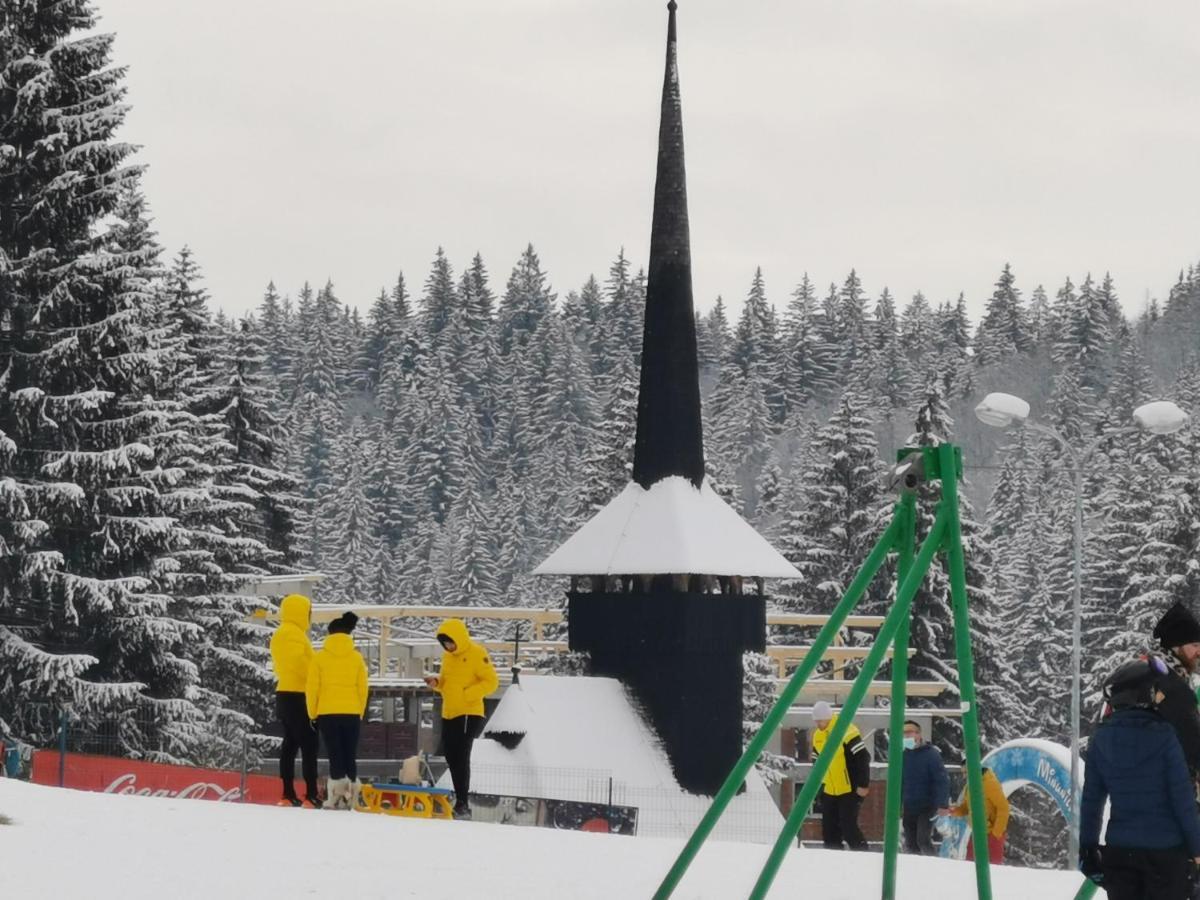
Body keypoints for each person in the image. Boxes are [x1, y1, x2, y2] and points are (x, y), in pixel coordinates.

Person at [1080, 658, 1200, 899]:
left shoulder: (1100, 739)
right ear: (1145, 694)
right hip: (1166, 857)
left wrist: (1088, 848)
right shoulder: (1165, 736)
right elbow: (1182, 800)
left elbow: (1091, 802)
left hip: (1120, 855)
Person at [424, 618, 499, 820]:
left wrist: (468, 694)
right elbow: (447, 682)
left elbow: (491, 681)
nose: (448, 646)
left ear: (458, 638)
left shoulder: (477, 653)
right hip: (450, 711)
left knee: (461, 755)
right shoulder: (448, 657)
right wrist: (436, 682)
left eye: (450, 642)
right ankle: (460, 799)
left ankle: (463, 803)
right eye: (444, 643)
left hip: (468, 712)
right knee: (450, 754)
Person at [306, 611, 369, 810]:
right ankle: (352, 796)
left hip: (327, 713)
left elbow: (312, 688)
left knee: (335, 754)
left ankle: (335, 796)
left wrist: (312, 713)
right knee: (350, 753)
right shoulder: (357, 658)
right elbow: (363, 688)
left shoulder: (320, 657)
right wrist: (359, 711)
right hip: (351, 712)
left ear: (330, 634)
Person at [269, 593, 321, 808]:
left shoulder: (283, 633)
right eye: (308, 612)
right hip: (298, 695)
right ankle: (310, 794)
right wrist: (318, 675)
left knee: (290, 744)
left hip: (284, 693)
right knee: (309, 744)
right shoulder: (292, 635)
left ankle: (288, 793)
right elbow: (301, 665)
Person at [809, 700, 871, 850]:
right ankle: (834, 859)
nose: (818, 724)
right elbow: (816, 761)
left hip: (849, 787)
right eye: (816, 721)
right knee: (829, 829)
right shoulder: (818, 735)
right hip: (829, 788)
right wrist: (820, 787)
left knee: (848, 826)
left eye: (821, 721)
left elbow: (863, 757)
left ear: (829, 718)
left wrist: (863, 784)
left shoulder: (847, 731)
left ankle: (863, 855)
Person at [1151, 601, 1200, 780]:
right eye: (1194, 645)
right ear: (1176, 647)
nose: (1199, 652)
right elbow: (1193, 741)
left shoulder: (1149, 670)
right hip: (1169, 789)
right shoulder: (1171, 683)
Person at [900, 720, 950, 855]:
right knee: (910, 841)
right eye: (904, 734)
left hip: (928, 805)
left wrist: (942, 804)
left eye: (909, 733)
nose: (906, 737)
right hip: (909, 805)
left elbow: (941, 780)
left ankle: (932, 864)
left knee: (923, 839)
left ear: (918, 734)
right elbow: (900, 781)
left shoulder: (931, 754)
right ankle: (914, 868)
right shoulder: (902, 755)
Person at [950, 766, 1010, 864]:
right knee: (970, 864)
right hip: (977, 832)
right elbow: (967, 807)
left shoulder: (990, 783)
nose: (964, 776)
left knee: (993, 868)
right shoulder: (970, 785)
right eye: (963, 773)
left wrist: (996, 833)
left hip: (991, 833)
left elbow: (1004, 808)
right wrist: (954, 811)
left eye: (966, 772)